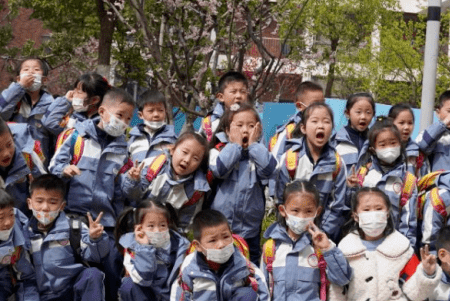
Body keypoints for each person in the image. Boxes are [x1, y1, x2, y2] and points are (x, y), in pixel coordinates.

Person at [50, 87, 135, 301]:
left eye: (129, 118)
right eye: (120, 115)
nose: (124, 122)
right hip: (72, 215)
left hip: (106, 218)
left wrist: (133, 182)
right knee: (73, 260)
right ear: (101, 111)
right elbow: (55, 164)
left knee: (109, 263)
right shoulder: (76, 137)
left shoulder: (122, 149)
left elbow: (122, 190)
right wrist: (64, 170)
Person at [260, 181, 351, 301]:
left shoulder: (321, 245)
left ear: (317, 211)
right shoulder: (271, 248)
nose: (301, 217)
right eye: (295, 210)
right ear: (283, 210)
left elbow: (343, 277)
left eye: (308, 211)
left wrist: (328, 249)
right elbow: (263, 289)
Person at [25, 175, 105, 301]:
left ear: (62, 206)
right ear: (30, 203)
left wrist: (95, 239)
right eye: (39, 201)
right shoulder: (23, 232)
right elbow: (22, 274)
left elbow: (97, 256)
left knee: (93, 274)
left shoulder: (74, 226)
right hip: (47, 294)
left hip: (73, 287)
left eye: (52, 202)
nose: (45, 207)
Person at [117, 200, 189, 301]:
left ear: (168, 224)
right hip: (147, 298)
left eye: (162, 225)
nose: (157, 230)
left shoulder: (181, 246)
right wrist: (144, 248)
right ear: (139, 227)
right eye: (150, 226)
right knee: (128, 285)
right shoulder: (131, 247)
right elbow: (144, 278)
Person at [273, 102, 349, 241]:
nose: (320, 126)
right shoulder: (290, 159)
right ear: (303, 128)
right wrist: (289, 230)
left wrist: (321, 233)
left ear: (332, 128)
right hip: (291, 232)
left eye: (326, 122)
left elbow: (337, 204)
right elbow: (279, 198)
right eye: (314, 121)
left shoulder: (337, 163)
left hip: (322, 234)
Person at [209, 104, 275, 262]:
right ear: (227, 130)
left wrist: (253, 146)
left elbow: (269, 168)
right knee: (219, 262)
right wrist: (235, 146)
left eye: (251, 126)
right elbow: (219, 169)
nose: (245, 130)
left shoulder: (259, 154)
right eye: (239, 126)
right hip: (221, 226)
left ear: (258, 131)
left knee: (249, 264)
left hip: (250, 228)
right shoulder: (218, 151)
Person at [124, 132, 211, 229]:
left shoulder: (196, 190)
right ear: (172, 150)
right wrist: (133, 181)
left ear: (199, 165)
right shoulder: (153, 166)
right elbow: (132, 197)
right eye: (185, 152)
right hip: (136, 227)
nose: (187, 160)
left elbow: (185, 223)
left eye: (195, 158)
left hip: (164, 235)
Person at [353, 120, 418, 238]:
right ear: (373, 149)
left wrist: (407, 247)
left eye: (393, 143)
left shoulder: (408, 180)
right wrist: (350, 188)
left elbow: (409, 220)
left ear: (400, 144)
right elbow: (353, 207)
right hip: (364, 240)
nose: (389, 148)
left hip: (394, 242)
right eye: (382, 145)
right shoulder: (363, 174)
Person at [0, 57, 61, 162]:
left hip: (41, 161)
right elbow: (0, 109)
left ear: (44, 79)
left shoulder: (51, 104)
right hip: (15, 160)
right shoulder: (14, 99)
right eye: (26, 69)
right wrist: (19, 87)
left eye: (36, 70)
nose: (31, 72)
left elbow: (56, 137)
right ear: (18, 79)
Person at [0, 117, 46, 214]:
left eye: (9, 145)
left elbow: (46, 187)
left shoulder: (28, 156)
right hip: (1, 219)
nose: (6, 153)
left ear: (13, 139)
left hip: (31, 215)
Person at [268, 80, 325, 161]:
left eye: (323, 103)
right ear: (299, 106)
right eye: (315, 103)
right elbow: (275, 162)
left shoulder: (326, 128)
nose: (320, 107)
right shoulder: (289, 132)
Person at [45, 72, 111, 138]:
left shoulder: (103, 124)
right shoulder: (74, 116)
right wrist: (65, 101)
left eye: (78, 92)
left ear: (94, 100)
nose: (73, 94)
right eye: (74, 90)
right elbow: (50, 123)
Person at [128, 89, 177, 164]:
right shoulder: (132, 140)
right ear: (140, 115)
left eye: (160, 110)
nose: (156, 115)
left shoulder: (173, 140)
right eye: (151, 111)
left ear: (165, 112)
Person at [198, 70, 249, 141]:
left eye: (243, 92)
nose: (239, 96)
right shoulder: (209, 122)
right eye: (233, 92)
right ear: (221, 97)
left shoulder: (253, 122)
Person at [334, 92, 375, 167]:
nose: (363, 117)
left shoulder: (375, 142)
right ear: (348, 113)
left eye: (368, 112)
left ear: (373, 114)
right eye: (358, 112)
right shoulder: (336, 141)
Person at [387, 102, 421, 174]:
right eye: (401, 123)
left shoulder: (417, 152)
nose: (406, 127)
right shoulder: (381, 149)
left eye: (410, 123)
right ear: (390, 123)